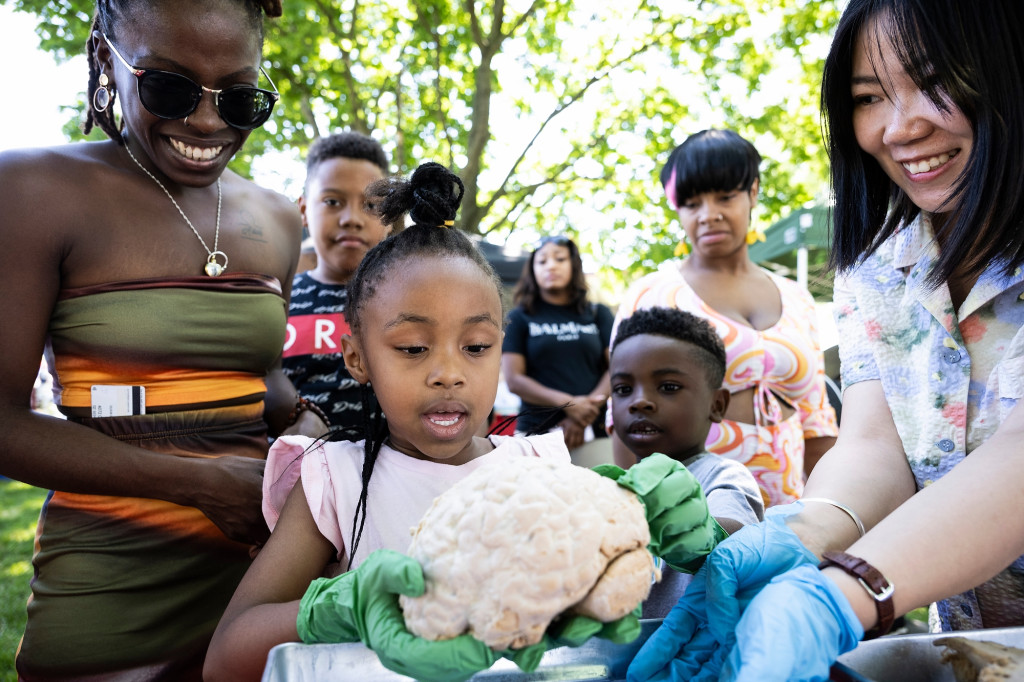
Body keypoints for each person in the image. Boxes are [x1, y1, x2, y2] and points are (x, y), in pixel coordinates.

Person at [204, 163, 729, 681]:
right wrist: (341, 608)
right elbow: (225, 659)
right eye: (412, 347)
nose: (449, 374)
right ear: (357, 357)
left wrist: (673, 536)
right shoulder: (333, 482)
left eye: (476, 347)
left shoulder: (540, 467)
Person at [627, 1, 1024, 680]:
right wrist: (802, 534)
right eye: (870, 98)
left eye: (934, 83)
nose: (903, 126)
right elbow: (874, 444)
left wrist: (844, 589)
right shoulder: (875, 265)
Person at [0, 1, 331, 679]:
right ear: (103, 57)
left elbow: (260, 379)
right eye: (169, 88)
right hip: (112, 597)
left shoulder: (275, 216)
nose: (207, 122)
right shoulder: (33, 191)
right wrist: (198, 484)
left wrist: (312, 428)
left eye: (239, 98)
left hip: (257, 590)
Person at [611, 129, 838, 507]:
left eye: (724, 197)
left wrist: (827, 511)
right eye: (692, 203)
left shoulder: (796, 297)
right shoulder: (653, 295)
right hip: (692, 510)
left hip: (790, 512)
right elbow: (624, 420)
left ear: (752, 192)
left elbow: (817, 421)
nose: (708, 215)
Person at [609, 307, 764, 619]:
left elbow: (734, 532)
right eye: (623, 389)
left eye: (668, 387)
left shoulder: (722, 475)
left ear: (717, 404)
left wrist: (701, 532)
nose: (640, 401)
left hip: (700, 652)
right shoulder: (610, 492)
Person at [282, 131, 392, 429]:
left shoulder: (408, 301)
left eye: (370, 205)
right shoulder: (278, 301)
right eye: (332, 201)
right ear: (303, 210)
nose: (351, 219)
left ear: (390, 217)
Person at [502, 235, 614, 452]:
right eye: (542, 261)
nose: (551, 266)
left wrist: (583, 412)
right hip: (537, 433)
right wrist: (570, 404)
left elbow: (617, 367)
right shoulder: (519, 318)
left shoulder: (598, 313)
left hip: (596, 430)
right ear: (532, 270)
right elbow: (514, 379)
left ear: (574, 265)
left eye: (560, 259)